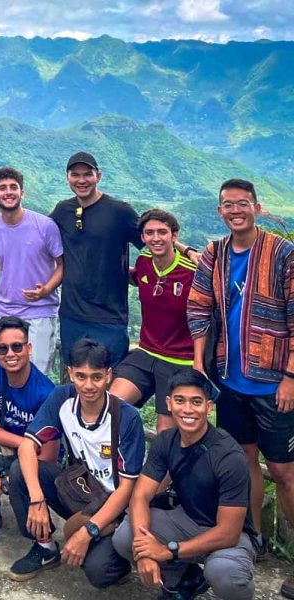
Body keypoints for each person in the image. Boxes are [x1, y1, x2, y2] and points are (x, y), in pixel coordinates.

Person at [188, 178, 294, 599]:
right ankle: (252, 540)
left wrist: (290, 376)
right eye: (228, 205)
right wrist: (199, 359)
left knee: (284, 473)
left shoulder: (282, 254)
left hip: (273, 384)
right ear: (220, 211)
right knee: (244, 462)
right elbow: (198, 306)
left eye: (243, 204)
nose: (236, 210)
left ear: (256, 207)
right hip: (229, 380)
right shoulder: (213, 255)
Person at [8, 338, 145, 587]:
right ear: (70, 373)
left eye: (96, 377)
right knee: (21, 470)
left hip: (113, 507)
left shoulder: (126, 417)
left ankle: (114, 555)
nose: (88, 385)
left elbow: (126, 489)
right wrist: (37, 499)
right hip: (80, 490)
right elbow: (28, 445)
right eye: (81, 376)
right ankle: (45, 547)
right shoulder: (63, 399)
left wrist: (88, 531)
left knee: (98, 572)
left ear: (109, 376)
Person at [113, 368, 256, 600]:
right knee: (124, 535)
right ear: (169, 403)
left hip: (228, 534)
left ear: (209, 406)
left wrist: (167, 551)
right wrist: (144, 550)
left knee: (225, 573)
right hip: (186, 520)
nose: (188, 410)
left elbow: (229, 532)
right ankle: (182, 581)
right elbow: (140, 496)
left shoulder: (229, 455)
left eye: (196, 402)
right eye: (180, 401)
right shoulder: (166, 440)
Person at [0, 316, 59, 548]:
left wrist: (4, 483)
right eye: (2, 348)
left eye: (17, 346)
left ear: (29, 348)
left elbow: (48, 457)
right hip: (16, 446)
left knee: (28, 530)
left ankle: (39, 527)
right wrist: (23, 444)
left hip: (37, 460)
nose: (10, 354)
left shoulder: (46, 393)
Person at [49, 152, 145, 366]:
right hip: (72, 314)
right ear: (67, 177)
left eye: (87, 174)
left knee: (110, 379)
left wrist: (187, 252)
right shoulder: (63, 210)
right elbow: (38, 238)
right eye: (75, 175)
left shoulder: (120, 212)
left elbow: (154, 240)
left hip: (109, 316)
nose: (81, 180)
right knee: (76, 375)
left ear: (98, 176)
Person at [0, 167, 63, 373]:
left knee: (37, 375)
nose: (8, 192)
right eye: (3, 188)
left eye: (13, 187)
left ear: (22, 192)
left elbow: (63, 265)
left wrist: (45, 290)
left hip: (40, 312)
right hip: (3, 311)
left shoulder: (45, 226)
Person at [110, 209, 197, 433]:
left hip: (180, 359)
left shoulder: (191, 271)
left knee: (165, 432)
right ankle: (124, 464)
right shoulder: (144, 261)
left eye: (162, 232)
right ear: (142, 237)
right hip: (147, 352)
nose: (156, 238)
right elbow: (138, 278)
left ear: (174, 236)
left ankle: (159, 469)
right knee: (111, 407)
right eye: (149, 233)